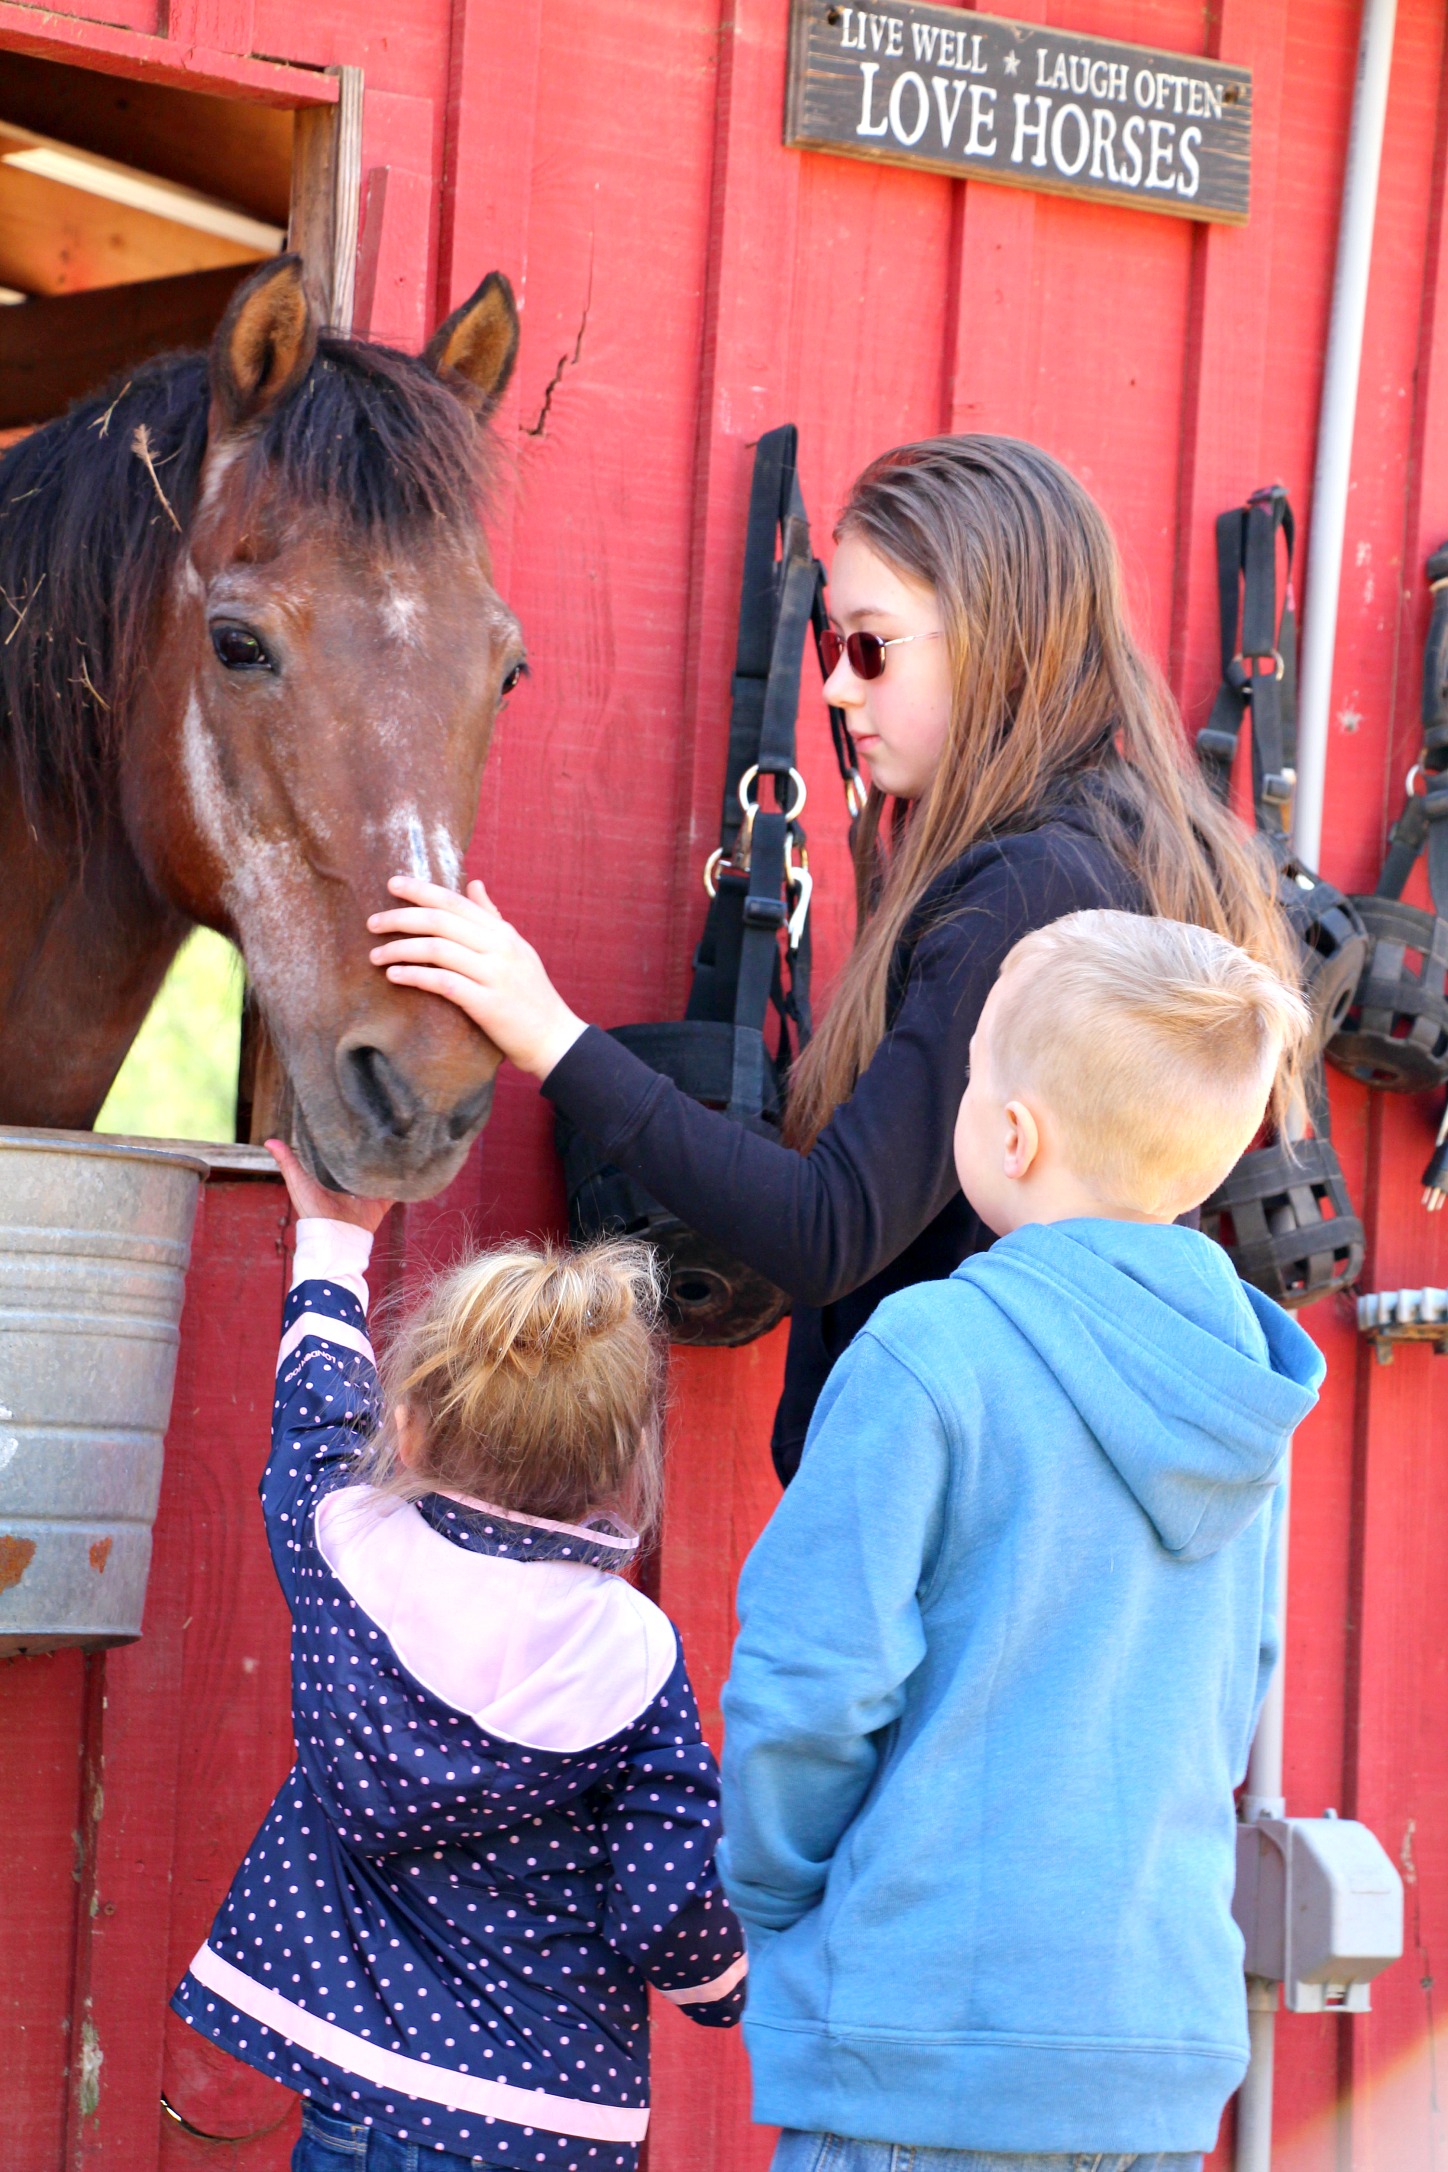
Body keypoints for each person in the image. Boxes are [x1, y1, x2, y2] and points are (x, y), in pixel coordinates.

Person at [363, 436, 1297, 1483]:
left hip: (932, 1510)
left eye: (872, 647)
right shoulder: (1085, 847)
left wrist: (551, 1036)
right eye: (831, 649)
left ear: (996, 639)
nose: (839, 692)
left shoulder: (1030, 888)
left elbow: (827, 1228)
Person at [716, 911, 1326, 2172]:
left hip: (919, 2049)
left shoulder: (928, 1354)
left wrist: (775, 1896)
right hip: (1148, 2055)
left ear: (1010, 1132)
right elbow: (1229, 1703)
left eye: (972, 1067)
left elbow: (810, 1682)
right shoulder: (1237, 1391)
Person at [171, 1142, 745, 2172]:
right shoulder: (631, 1655)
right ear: (622, 1465)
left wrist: (335, 1244)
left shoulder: (342, 1544)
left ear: (409, 1429)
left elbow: (316, 1414)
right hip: (539, 2117)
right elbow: (664, 1902)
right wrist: (724, 1987)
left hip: (349, 2101)